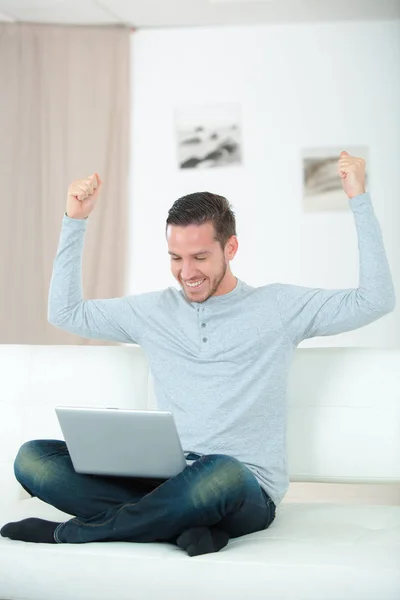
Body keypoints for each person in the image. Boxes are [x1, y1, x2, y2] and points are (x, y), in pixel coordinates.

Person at [1, 152, 396, 556]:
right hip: (166, 481)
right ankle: (186, 526)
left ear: (231, 247)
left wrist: (358, 199)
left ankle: (74, 533)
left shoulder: (278, 307)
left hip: (242, 486)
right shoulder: (153, 312)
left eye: (200, 257)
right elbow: (64, 312)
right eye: (176, 258)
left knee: (219, 471)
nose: (187, 272)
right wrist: (75, 221)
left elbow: (376, 299)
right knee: (32, 459)